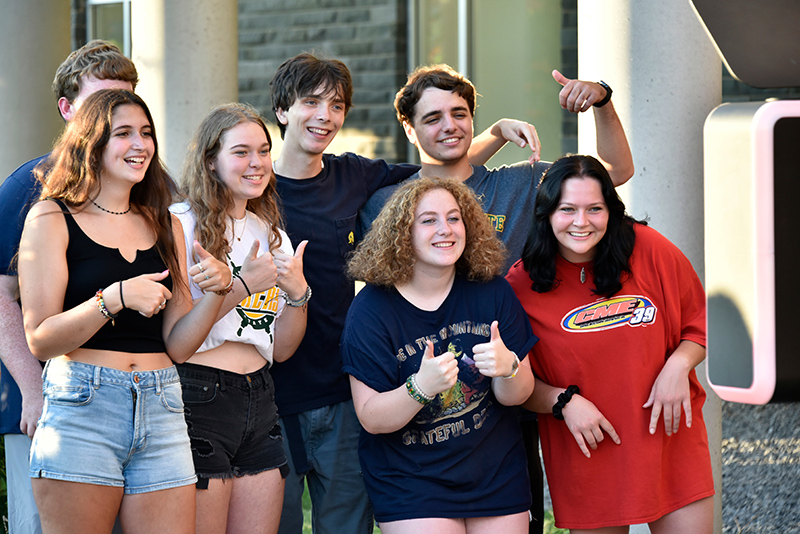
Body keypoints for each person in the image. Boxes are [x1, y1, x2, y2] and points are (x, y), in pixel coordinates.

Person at [268, 52, 544, 534]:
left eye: (336, 106)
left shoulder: (356, 177)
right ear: (282, 111)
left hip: (343, 387)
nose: (324, 116)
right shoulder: (252, 186)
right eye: (311, 103)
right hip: (272, 388)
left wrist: (496, 134)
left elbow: (442, 175)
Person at [357, 63, 635, 532]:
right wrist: (495, 132)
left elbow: (615, 172)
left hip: (516, 378)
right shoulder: (389, 203)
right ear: (407, 127)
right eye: (432, 118)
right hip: (427, 404)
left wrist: (602, 102)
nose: (449, 126)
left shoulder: (520, 182)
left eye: (459, 114)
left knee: (520, 513)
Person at [18, 88, 232, 534]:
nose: (141, 144)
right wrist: (112, 299)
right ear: (90, 143)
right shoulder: (50, 218)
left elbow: (178, 344)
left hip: (163, 404)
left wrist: (219, 290)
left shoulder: (164, 223)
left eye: (147, 133)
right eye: (123, 133)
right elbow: (40, 337)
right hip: (83, 406)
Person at [505, 155, 714, 533]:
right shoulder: (520, 286)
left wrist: (678, 366)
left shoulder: (648, 249)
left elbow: (699, 324)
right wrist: (563, 402)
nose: (581, 222)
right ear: (546, 212)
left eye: (594, 209)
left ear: (610, 210)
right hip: (589, 450)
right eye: (567, 209)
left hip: (669, 439)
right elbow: (517, 384)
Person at [341, 177, 537, 533]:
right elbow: (371, 417)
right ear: (402, 232)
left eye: (453, 218)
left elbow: (518, 395)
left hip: (494, 474)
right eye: (428, 220)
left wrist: (509, 368)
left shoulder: (492, 291)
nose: (444, 230)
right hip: (411, 482)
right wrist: (420, 387)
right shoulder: (371, 309)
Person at [0, 40, 138, 534]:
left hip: (130, 406)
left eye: (125, 102)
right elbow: (1, 296)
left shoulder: (145, 186)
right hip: (44, 406)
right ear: (66, 109)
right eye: (100, 102)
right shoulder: (29, 186)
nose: (113, 117)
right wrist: (33, 392)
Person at [169, 102, 309, 534]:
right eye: (241, 152)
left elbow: (282, 349)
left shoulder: (272, 235)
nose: (257, 163)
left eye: (264, 151)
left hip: (261, 397)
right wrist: (243, 285)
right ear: (211, 160)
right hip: (198, 395)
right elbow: (177, 342)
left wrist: (299, 294)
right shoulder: (180, 224)